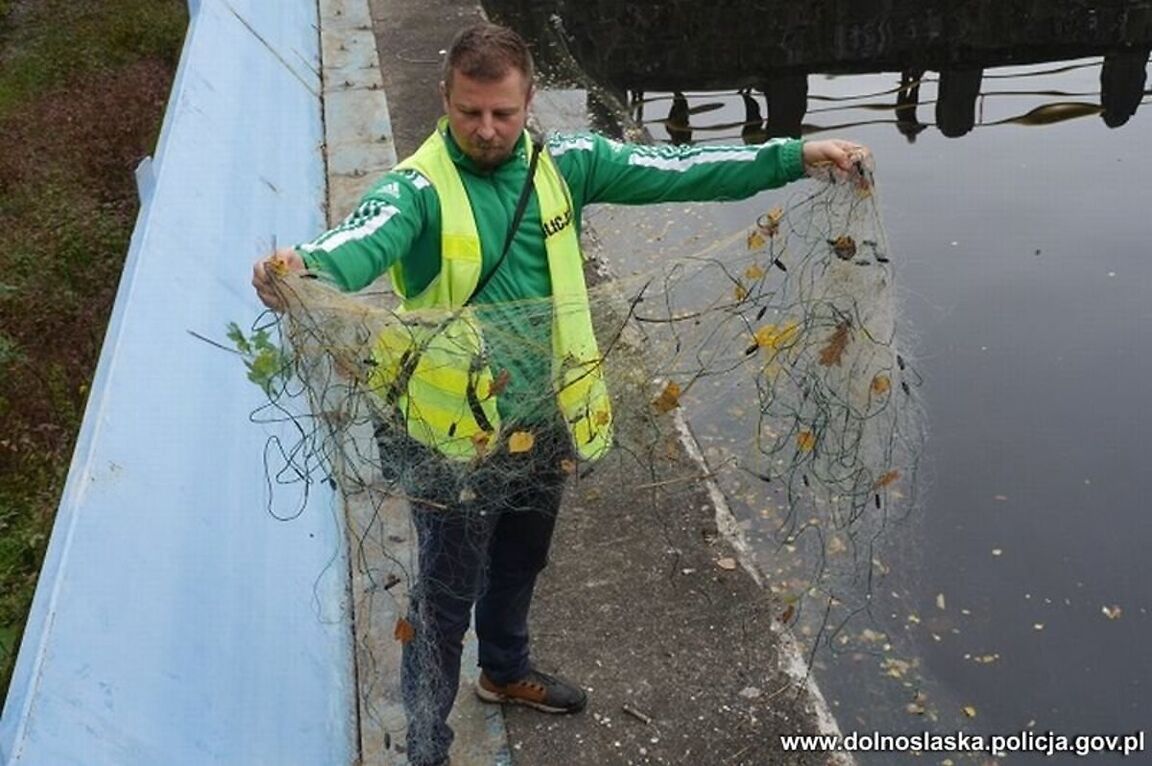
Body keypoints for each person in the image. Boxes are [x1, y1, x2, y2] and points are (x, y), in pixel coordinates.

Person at [253, 21, 868, 766]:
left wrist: (793, 155)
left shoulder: (568, 164)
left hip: (544, 421)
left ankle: (505, 672)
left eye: (503, 114)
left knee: (521, 562)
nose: (486, 130)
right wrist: (300, 270)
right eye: (469, 112)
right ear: (445, 97)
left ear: (529, 101)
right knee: (443, 604)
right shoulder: (414, 191)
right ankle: (425, 746)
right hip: (452, 441)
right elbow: (357, 244)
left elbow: (680, 168)